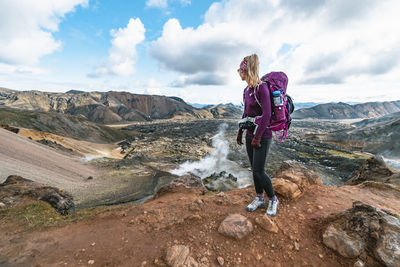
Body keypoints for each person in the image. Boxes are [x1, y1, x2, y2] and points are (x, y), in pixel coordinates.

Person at [236, 54, 279, 216]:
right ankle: (260, 198)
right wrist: (240, 132)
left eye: (240, 70)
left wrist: (257, 137)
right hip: (249, 134)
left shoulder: (262, 88)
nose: (239, 73)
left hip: (263, 135)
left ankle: (273, 199)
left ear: (246, 70)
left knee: (259, 171)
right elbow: (246, 113)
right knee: (254, 169)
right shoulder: (247, 90)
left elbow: (267, 115)